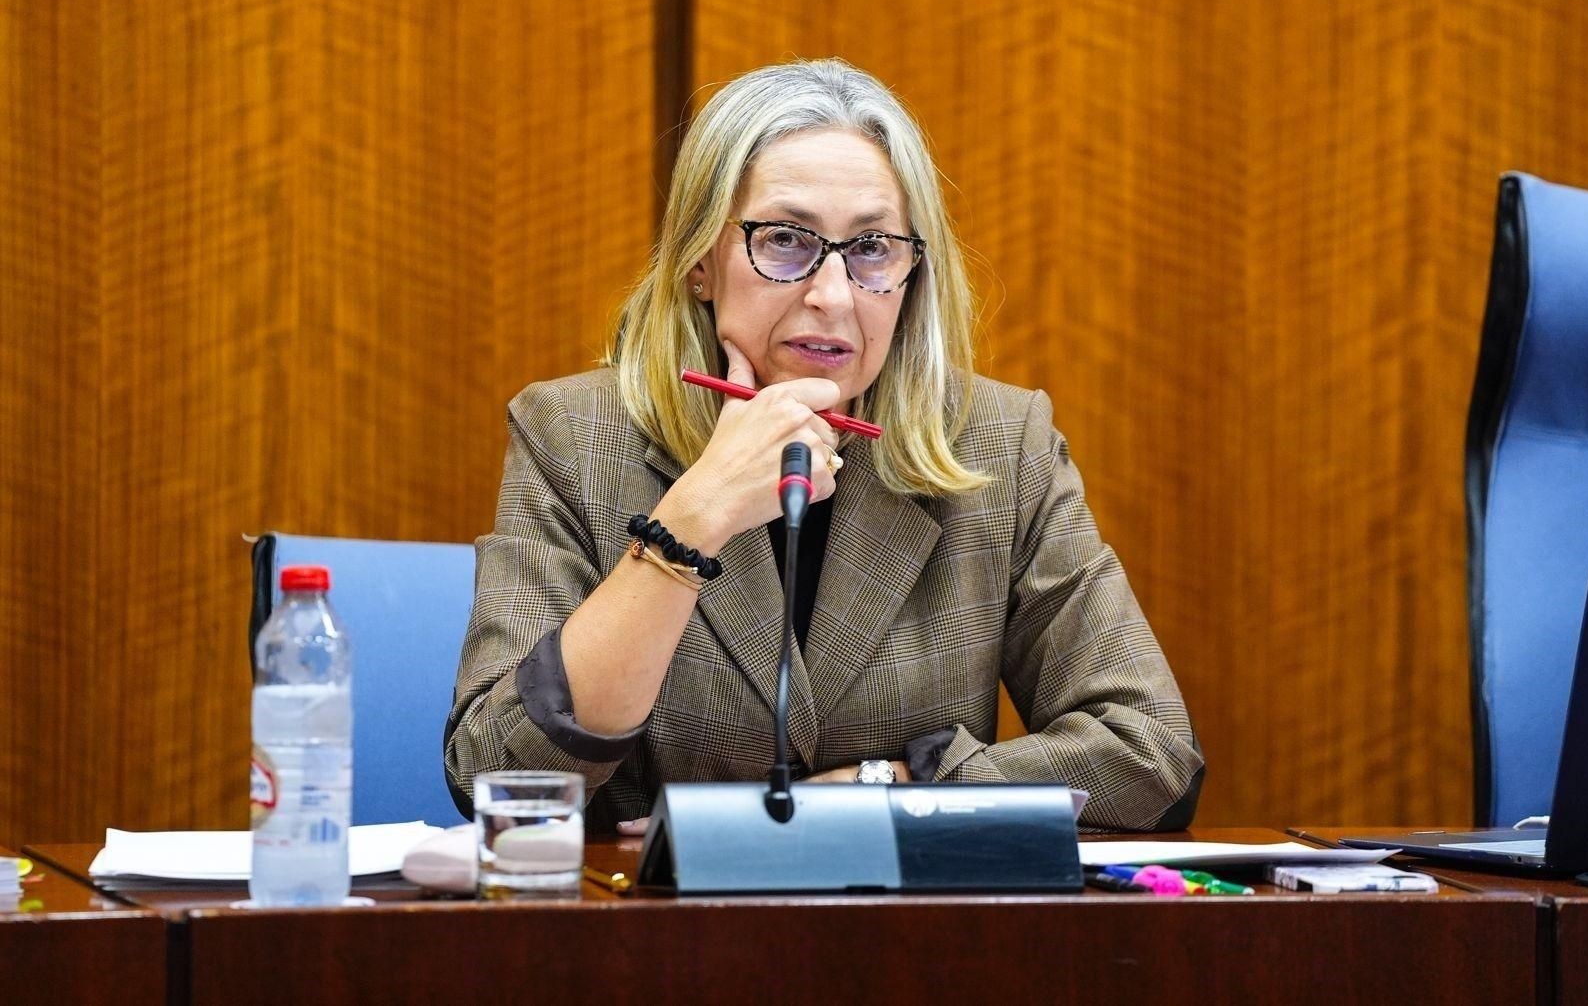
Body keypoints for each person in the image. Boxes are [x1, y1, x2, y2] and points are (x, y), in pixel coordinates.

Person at [445, 58, 1204, 832]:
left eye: (873, 248)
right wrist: (691, 522)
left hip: (909, 935)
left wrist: (893, 785)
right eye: (784, 240)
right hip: (656, 933)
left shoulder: (998, 446)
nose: (832, 296)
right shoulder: (575, 436)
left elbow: (1150, 754)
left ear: (913, 273)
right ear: (701, 262)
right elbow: (494, 780)